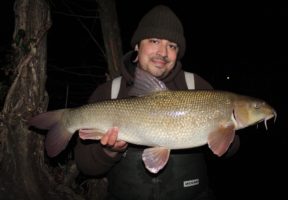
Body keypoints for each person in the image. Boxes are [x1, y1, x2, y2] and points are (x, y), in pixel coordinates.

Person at [74, 5, 240, 200]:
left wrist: (225, 133)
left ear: (178, 53)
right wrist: (109, 151)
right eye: (154, 41)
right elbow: (85, 165)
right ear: (137, 46)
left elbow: (230, 150)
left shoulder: (196, 86)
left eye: (172, 46)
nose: (163, 52)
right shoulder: (109, 92)